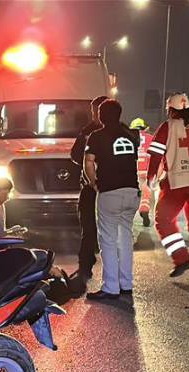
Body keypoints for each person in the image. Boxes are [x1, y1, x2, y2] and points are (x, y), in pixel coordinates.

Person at [146, 92, 189, 283]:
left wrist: (151, 178)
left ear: (170, 109)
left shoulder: (168, 127)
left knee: (163, 220)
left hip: (176, 183)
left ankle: (181, 258)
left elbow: (156, 155)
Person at [83, 99, 140, 300]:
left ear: (101, 116)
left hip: (110, 192)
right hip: (132, 192)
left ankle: (110, 287)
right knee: (125, 239)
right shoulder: (130, 135)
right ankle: (126, 284)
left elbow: (89, 162)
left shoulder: (97, 136)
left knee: (107, 240)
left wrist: (93, 182)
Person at [69, 95, 110, 283]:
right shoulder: (122, 130)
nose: (94, 115)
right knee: (109, 230)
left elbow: (75, 155)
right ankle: (114, 274)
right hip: (112, 187)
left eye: (95, 111)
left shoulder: (88, 132)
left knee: (89, 226)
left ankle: (85, 268)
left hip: (92, 187)